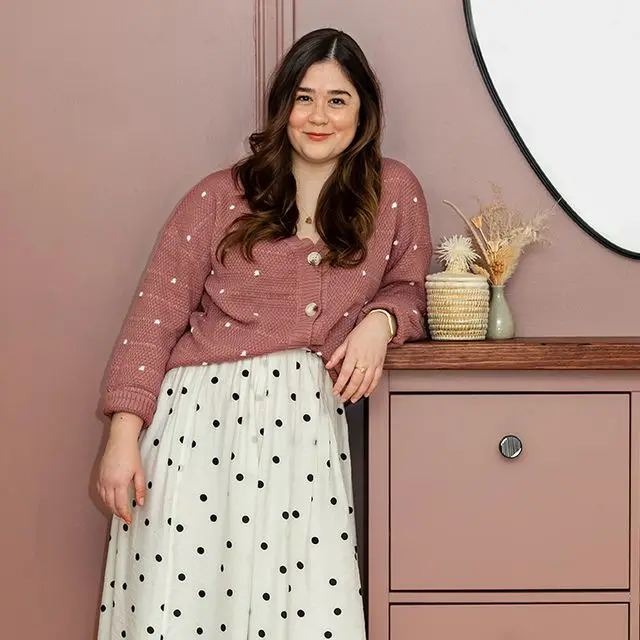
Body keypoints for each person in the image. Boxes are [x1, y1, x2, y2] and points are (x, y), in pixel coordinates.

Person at [95, 27, 431, 640]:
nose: (319, 115)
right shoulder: (219, 196)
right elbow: (154, 317)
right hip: (196, 429)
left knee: (297, 613)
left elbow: (410, 288)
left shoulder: (393, 194)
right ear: (283, 107)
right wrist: (123, 438)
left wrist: (380, 324)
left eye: (338, 99)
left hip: (302, 431)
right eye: (304, 98)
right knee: (185, 613)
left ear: (364, 111)